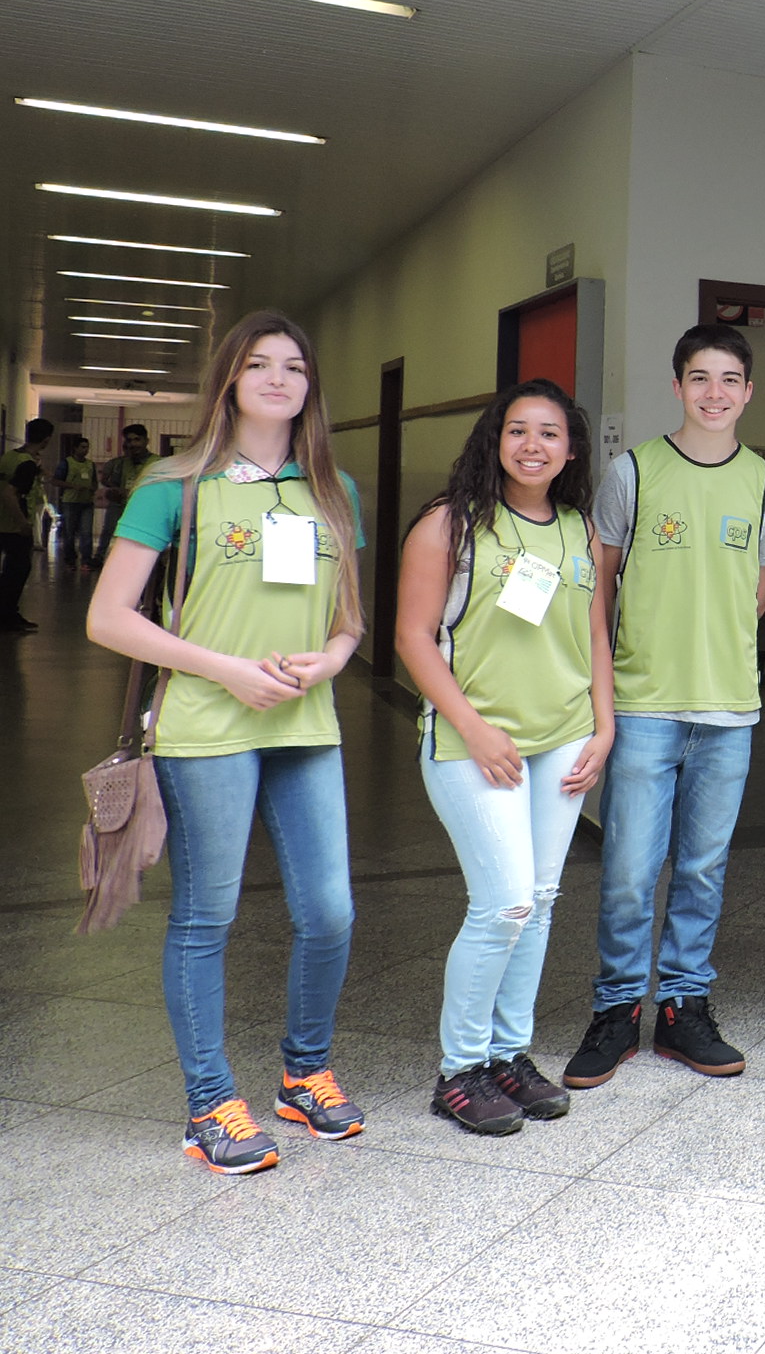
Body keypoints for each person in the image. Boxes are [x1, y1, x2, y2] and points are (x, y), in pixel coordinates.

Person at [86, 314, 366, 1174]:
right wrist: (227, 671)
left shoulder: (335, 490)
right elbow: (107, 618)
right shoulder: (174, 486)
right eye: (259, 365)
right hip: (206, 727)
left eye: (295, 367)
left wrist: (331, 660)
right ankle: (209, 1102)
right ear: (230, 382)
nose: (279, 379)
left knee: (330, 912)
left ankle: (304, 1072)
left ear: (310, 386)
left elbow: (350, 622)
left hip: (304, 724)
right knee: (208, 915)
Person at [564, 324, 765, 1088]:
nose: (714, 394)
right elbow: (599, 588)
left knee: (702, 869)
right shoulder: (633, 472)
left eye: (729, 380)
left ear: (748, 392)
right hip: (644, 705)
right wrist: (603, 698)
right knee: (630, 871)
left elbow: (758, 595)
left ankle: (682, 1009)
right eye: (700, 378)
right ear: (677, 386)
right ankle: (617, 1009)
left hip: (728, 710)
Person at [397, 381, 614, 1134]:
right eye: (517, 430)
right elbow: (413, 637)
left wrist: (604, 728)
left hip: (564, 739)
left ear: (572, 450)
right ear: (495, 440)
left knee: (541, 900)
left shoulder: (581, 531)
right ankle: (460, 1070)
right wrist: (475, 727)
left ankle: (508, 1055)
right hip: (473, 743)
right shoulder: (450, 523)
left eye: (549, 433)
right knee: (505, 903)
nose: (533, 445)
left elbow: (595, 635)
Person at [0, 418, 55, 631]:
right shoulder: (27, 464)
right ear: (46, 440)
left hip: (2, 522)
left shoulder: (9, 457)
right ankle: (8, 616)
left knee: (9, 571)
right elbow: (9, 493)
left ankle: (6, 613)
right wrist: (23, 523)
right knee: (17, 571)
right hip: (15, 526)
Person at [96, 422, 158, 566]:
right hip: (124, 508)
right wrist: (114, 493)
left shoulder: (157, 463)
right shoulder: (122, 463)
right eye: (129, 440)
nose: (133, 444)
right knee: (113, 532)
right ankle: (101, 557)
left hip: (146, 511)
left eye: (137, 439)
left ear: (146, 441)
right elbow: (112, 483)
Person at [58, 435, 97, 571]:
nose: (85, 450)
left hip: (86, 502)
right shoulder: (66, 463)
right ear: (75, 448)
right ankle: (70, 559)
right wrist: (72, 486)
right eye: (82, 447)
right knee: (69, 533)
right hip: (70, 502)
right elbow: (56, 480)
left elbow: (94, 481)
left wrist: (93, 489)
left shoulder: (90, 464)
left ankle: (86, 560)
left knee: (86, 532)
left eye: (87, 447)